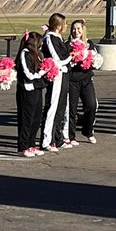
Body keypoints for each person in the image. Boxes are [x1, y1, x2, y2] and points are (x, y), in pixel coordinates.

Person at [41, 12, 74, 151]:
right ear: (59, 25)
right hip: (56, 76)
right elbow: (57, 59)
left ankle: (57, 138)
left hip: (64, 75)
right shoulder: (50, 38)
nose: (66, 26)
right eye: (65, 24)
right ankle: (47, 140)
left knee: (61, 107)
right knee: (52, 107)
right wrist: (71, 56)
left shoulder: (58, 38)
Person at [15, 31, 47, 158]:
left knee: (36, 118)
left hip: (37, 89)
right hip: (26, 90)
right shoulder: (25, 54)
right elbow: (28, 74)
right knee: (26, 118)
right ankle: (23, 146)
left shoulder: (38, 54)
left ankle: (31, 143)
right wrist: (41, 73)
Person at [68, 18, 98, 143]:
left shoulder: (89, 43)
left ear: (83, 30)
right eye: (74, 29)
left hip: (86, 79)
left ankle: (88, 131)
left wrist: (92, 61)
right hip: (72, 81)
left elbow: (95, 60)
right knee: (71, 109)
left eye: (78, 29)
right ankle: (71, 136)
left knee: (91, 105)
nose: (76, 31)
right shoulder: (67, 45)